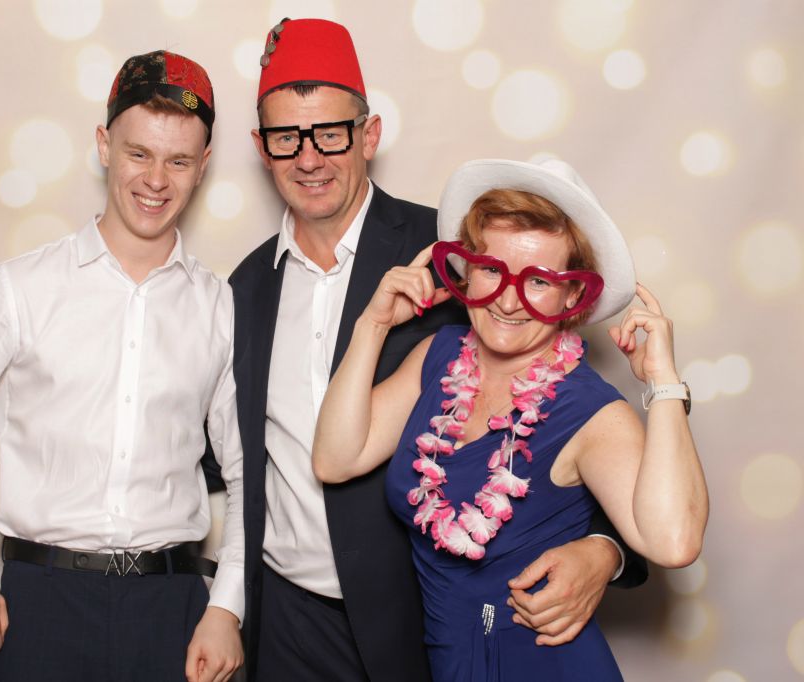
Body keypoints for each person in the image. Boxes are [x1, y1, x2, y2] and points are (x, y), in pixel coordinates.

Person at [228, 18, 647, 682]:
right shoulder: (246, 287)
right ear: (262, 147)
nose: (309, 158)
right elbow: (233, 459)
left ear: (369, 135)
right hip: (286, 621)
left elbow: (565, 411)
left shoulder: (466, 258)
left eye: (330, 133)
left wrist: (606, 550)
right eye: (286, 138)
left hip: (419, 625)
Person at [0, 50, 244, 682]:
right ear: (104, 146)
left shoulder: (219, 306)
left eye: (179, 160)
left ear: (203, 165)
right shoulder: (19, 289)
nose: (156, 180)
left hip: (175, 612)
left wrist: (228, 607)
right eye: (138, 153)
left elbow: (246, 472)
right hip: (40, 608)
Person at [312, 157, 708, 679]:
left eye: (538, 281)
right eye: (493, 270)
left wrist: (663, 382)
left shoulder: (589, 410)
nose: (508, 299)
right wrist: (373, 324)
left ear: (572, 295)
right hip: (447, 659)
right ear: (467, 270)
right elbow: (335, 458)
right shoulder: (438, 355)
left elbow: (674, 542)